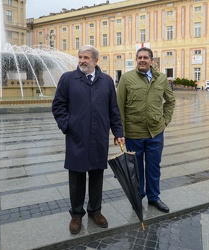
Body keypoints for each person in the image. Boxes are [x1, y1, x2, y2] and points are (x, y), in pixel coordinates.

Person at [52, 45, 124, 234]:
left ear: (95, 61)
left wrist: (118, 132)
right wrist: (68, 125)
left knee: (97, 175)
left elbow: (113, 110)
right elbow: (58, 105)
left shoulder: (107, 81)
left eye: (86, 58)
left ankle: (95, 211)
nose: (82, 61)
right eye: (80, 57)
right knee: (76, 177)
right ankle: (76, 215)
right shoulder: (68, 79)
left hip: (99, 136)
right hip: (77, 136)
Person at [116, 47, 175, 213]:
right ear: (136, 60)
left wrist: (165, 121)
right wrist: (120, 132)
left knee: (154, 167)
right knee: (136, 169)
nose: (142, 60)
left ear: (152, 61)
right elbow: (119, 106)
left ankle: (154, 197)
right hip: (134, 133)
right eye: (139, 57)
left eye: (145, 57)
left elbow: (170, 101)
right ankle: (138, 196)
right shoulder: (127, 79)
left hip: (156, 132)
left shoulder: (161, 78)